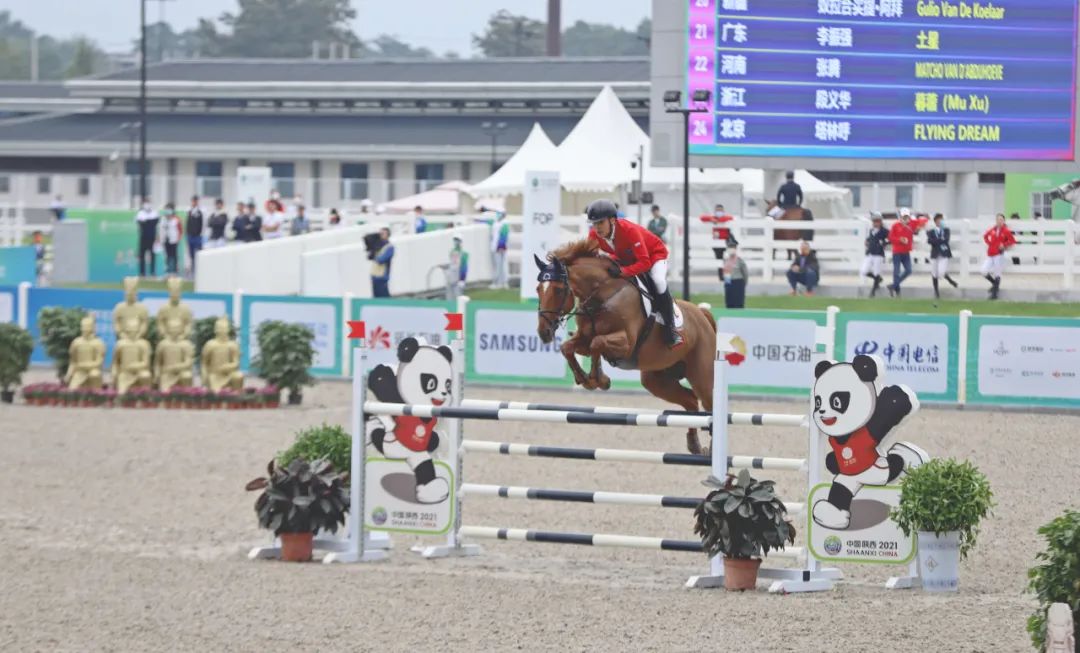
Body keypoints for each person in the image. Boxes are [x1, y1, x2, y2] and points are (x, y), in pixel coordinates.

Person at [585, 199, 682, 348]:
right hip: (626, 256)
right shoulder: (594, 234)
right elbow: (588, 256)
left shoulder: (629, 230)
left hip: (654, 255)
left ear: (612, 220)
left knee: (658, 281)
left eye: (600, 223)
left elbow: (645, 263)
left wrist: (623, 271)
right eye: (594, 224)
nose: (597, 228)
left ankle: (671, 328)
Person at [982, 213, 1016, 300]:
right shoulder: (992, 229)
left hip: (999, 254)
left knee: (997, 273)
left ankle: (995, 293)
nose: (999, 221)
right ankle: (994, 284)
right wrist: (989, 244)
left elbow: (1012, 241)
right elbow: (985, 236)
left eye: (1001, 220)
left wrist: (1004, 245)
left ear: (1004, 221)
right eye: (998, 219)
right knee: (983, 271)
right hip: (990, 253)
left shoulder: (1006, 231)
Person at [700, 203, 736, 281]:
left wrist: (718, 221)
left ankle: (728, 276)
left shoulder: (726, 218)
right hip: (716, 243)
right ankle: (721, 277)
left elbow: (731, 218)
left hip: (726, 242)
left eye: (720, 210)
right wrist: (711, 219)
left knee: (728, 260)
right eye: (717, 210)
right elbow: (702, 218)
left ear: (723, 211)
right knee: (719, 260)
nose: (719, 212)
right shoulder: (712, 218)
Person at [927, 213, 958, 299]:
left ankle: (950, 280)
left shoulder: (946, 230)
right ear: (936, 221)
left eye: (942, 220)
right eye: (939, 220)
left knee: (941, 272)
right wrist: (940, 240)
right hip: (935, 254)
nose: (941, 222)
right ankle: (936, 291)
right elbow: (930, 241)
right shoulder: (931, 232)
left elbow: (946, 240)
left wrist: (936, 241)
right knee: (934, 273)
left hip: (944, 253)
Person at [888, 208, 915, 297]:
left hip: (906, 252)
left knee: (908, 270)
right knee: (896, 271)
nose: (905, 218)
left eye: (907, 216)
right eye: (904, 216)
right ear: (901, 216)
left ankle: (893, 286)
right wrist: (900, 239)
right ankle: (897, 290)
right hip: (897, 252)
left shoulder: (910, 226)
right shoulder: (895, 225)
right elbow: (891, 238)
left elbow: (923, 221)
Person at [861, 212, 889, 297]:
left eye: (877, 221)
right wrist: (867, 241)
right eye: (874, 221)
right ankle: (878, 279)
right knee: (864, 271)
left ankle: (873, 291)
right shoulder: (871, 230)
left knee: (877, 272)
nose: (875, 223)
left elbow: (890, 239)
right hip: (870, 253)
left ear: (880, 221)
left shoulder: (885, 231)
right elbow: (870, 238)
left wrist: (883, 243)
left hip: (878, 254)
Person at [135, 198, 159, 277]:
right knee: (142, 255)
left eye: (148, 203)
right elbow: (140, 223)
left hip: (152, 237)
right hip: (143, 237)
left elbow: (154, 222)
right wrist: (148, 222)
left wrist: (146, 222)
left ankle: (152, 272)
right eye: (145, 203)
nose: (147, 205)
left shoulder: (154, 213)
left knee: (152, 255)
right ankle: (142, 273)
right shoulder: (140, 213)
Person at [723, 244, 749, 309]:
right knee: (729, 302)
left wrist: (744, 283)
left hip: (738, 282)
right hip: (728, 282)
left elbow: (745, 272)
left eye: (732, 248)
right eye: (729, 248)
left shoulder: (739, 260)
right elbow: (725, 271)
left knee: (738, 302)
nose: (731, 250)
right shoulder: (726, 260)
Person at [159, 203, 183, 275]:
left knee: (174, 256)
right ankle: (168, 270)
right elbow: (161, 229)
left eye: (169, 209)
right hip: (165, 240)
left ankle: (175, 270)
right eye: (166, 209)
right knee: (167, 256)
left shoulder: (176, 219)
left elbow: (180, 230)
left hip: (174, 240)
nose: (167, 211)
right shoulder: (163, 219)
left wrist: (178, 238)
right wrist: (160, 238)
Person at [370, 227, 394, 297]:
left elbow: (381, 260)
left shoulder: (389, 247)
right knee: (376, 296)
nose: (381, 235)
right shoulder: (378, 246)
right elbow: (370, 257)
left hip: (382, 276)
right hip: (375, 275)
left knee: (383, 297)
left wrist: (376, 251)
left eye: (383, 234)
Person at [489, 210, 510, 289]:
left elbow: (504, 235)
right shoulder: (495, 223)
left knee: (502, 265)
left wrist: (501, 246)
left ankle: (503, 282)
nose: (497, 215)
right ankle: (498, 282)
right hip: (495, 247)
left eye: (499, 214)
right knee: (497, 265)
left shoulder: (504, 223)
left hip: (501, 247)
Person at [185, 195, 203, 275]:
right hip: (190, 236)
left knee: (198, 253)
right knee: (191, 254)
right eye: (193, 201)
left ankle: (198, 269)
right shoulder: (189, 211)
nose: (194, 203)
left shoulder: (200, 212)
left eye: (195, 201)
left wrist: (200, 234)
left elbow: (202, 224)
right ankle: (192, 269)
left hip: (197, 236)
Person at [447, 235, 469, 300]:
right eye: (455, 240)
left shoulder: (464, 253)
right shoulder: (452, 251)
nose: (455, 242)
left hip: (458, 278)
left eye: (457, 240)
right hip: (451, 276)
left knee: (458, 298)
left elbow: (464, 267)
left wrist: (462, 279)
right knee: (450, 297)